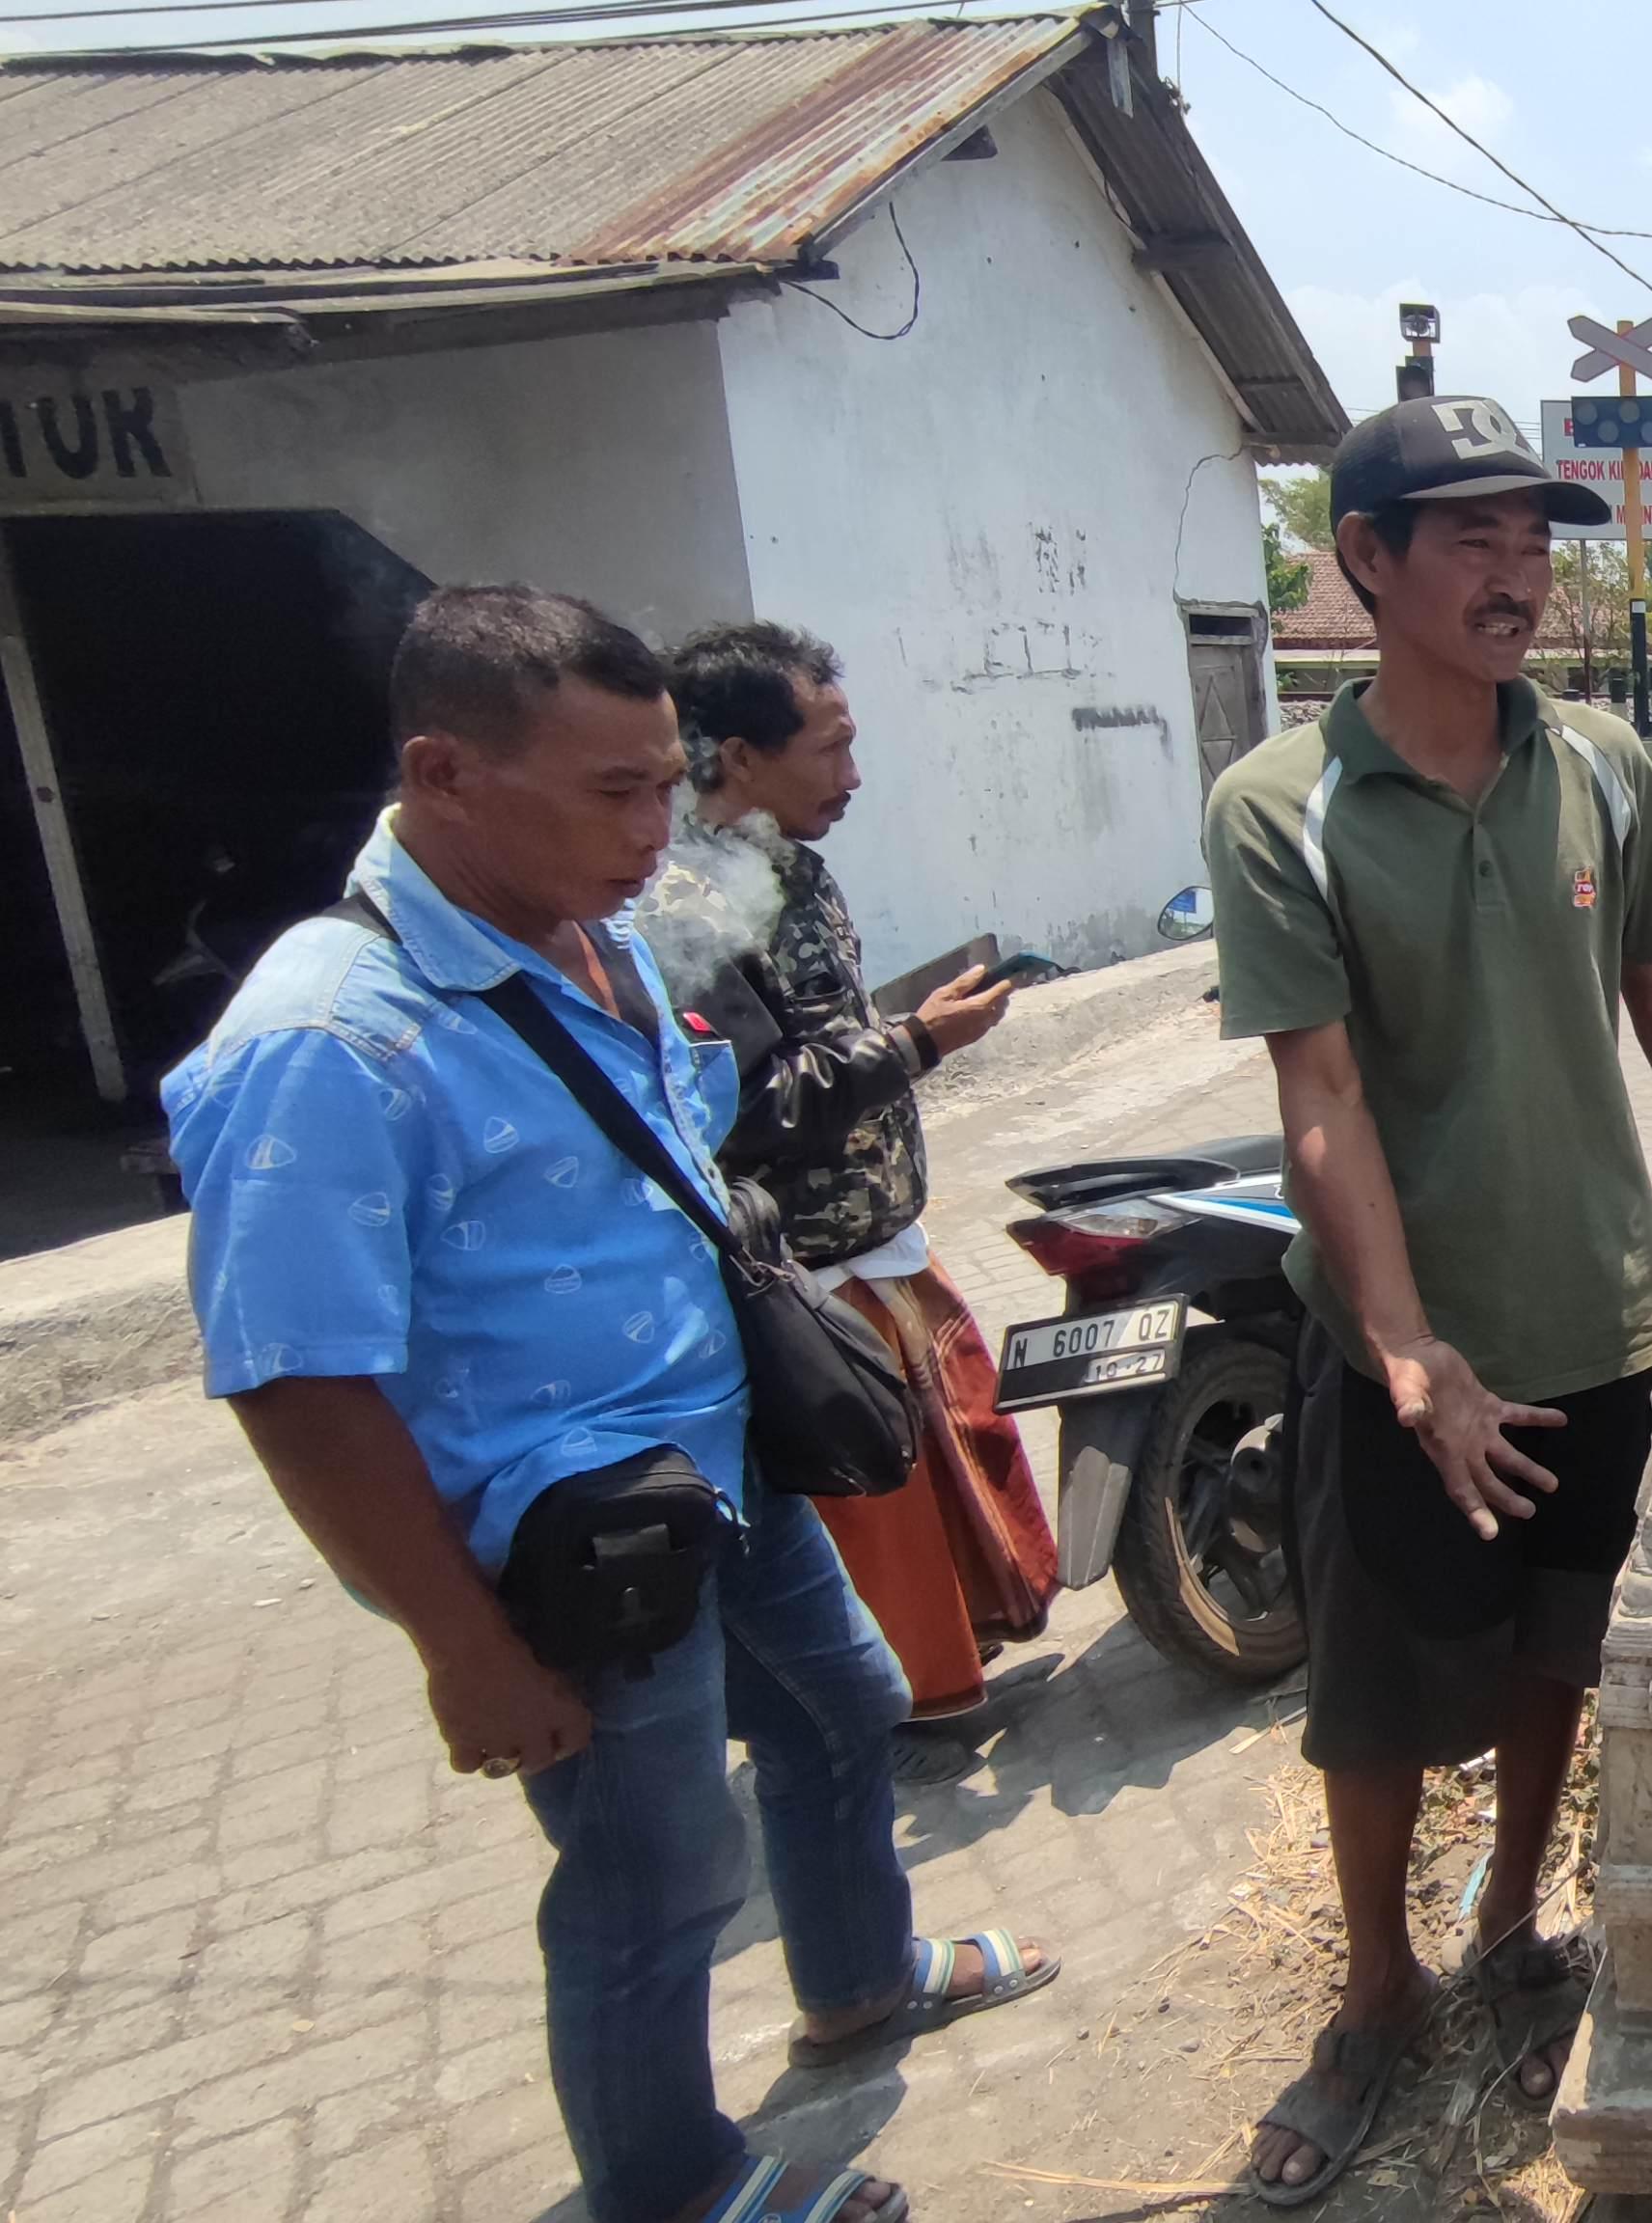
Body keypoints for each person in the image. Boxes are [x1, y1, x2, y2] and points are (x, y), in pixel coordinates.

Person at [166, 586, 1060, 2223]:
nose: (661, 826)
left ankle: (861, 1974)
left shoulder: (606, 941)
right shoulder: (326, 1039)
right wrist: (468, 1649)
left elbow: (689, 1131)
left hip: (723, 1464)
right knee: (656, 1876)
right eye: (615, 792)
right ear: (443, 773)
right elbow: (297, 1380)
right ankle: (673, 2181)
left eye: (669, 780)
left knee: (846, 1704)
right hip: (576, 1540)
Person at [1205, 396, 1652, 2205]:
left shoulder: (1603, 760)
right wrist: (1398, 1345)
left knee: (1565, 1644)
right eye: (1471, 539)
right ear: (1362, 560)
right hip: (1407, 1342)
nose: (1516, 575)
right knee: (1377, 1690)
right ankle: (1375, 1988)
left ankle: (1514, 1918)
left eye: (1535, 542)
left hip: (1601, 1315)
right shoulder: (1282, 808)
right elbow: (1323, 1096)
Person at [646, 620, 1059, 1769]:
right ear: (733, 756)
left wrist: (902, 1033)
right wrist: (919, 1044)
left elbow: (818, 1030)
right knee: (867, 1490)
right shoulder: (677, 906)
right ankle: (888, 1706)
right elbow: (743, 1101)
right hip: (803, 1265)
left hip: (876, 1233)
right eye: (828, 748)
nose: (853, 774)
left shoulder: (787, 867)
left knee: (954, 1437)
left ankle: (949, 1662)